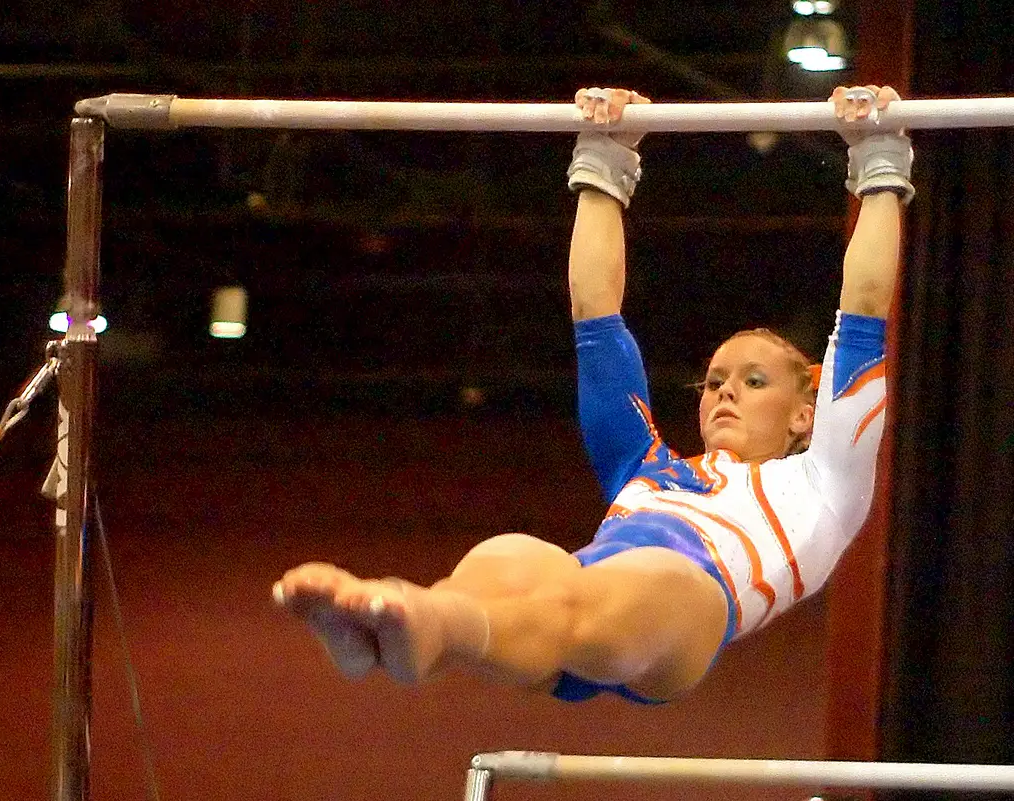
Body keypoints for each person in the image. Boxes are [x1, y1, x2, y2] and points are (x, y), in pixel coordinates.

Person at [273, 84, 909, 703]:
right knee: (509, 556)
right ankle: (396, 630)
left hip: (681, 610)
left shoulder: (826, 480)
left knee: (622, 586)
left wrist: (878, 163)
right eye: (714, 381)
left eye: (753, 380)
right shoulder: (646, 469)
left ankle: (415, 624)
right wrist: (606, 160)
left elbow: (863, 312)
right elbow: (595, 316)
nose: (724, 393)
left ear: (807, 412)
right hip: (578, 593)